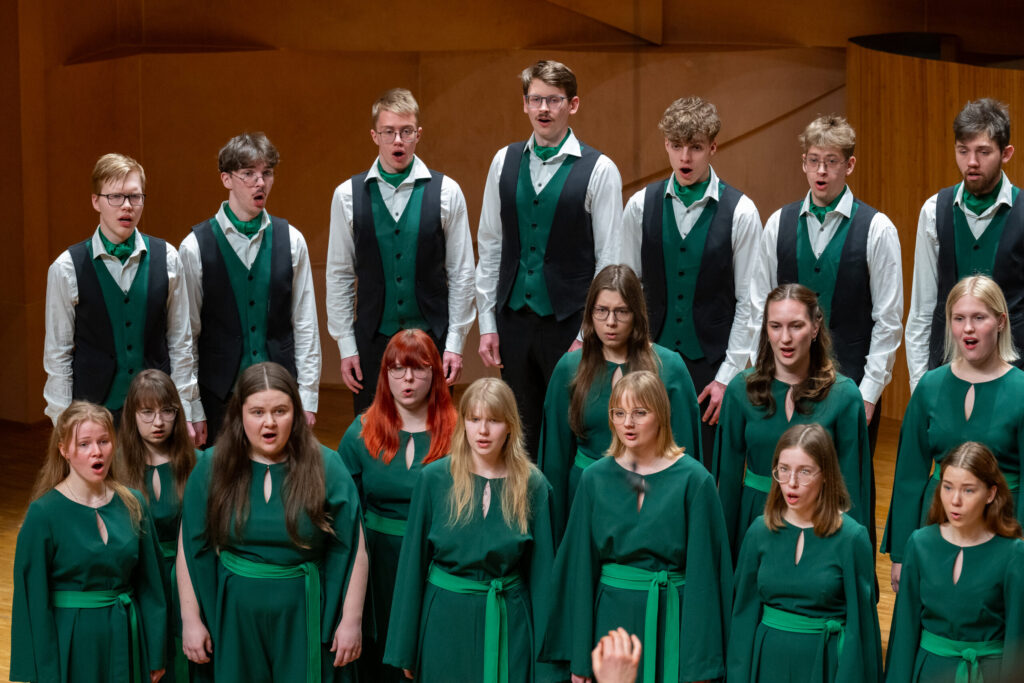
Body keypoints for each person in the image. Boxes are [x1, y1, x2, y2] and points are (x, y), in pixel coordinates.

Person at [178, 362, 367, 682]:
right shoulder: (212, 466)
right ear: (239, 414)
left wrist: (351, 620)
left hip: (303, 613)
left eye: (280, 411)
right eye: (257, 412)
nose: (269, 422)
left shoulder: (327, 465)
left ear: (296, 413)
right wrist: (191, 620)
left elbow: (354, 549)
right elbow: (190, 547)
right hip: (235, 617)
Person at [543, 371, 732, 683]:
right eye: (619, 413)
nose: (627, 423)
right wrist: (580, 660)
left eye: (640, 413)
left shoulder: (695, 480)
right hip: (610, 626)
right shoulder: (594, 479)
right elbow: (579, 570)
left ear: (661, 414)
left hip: (673, 624)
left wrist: (698, 668)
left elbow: (706, 580)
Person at [476, 59, 623, 459]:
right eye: (535, 99)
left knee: (569, 432)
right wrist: (487, 324)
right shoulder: (503, 161)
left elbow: (610, 263)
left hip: (569, 325)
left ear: (572, 105)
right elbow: (490, 245)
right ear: (525, 104)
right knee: (517, 433)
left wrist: (587, 334)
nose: (543, 108)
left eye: (554, 100)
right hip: (512, 321)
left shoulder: (600, 170)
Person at [384, 377, 560, 682]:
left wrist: (548, 665)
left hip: (509, 625)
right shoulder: (434, 479)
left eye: (494, 420)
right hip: (444, 625)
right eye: (474, 419)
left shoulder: (533, 485)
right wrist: (405, 647)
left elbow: (544, 579)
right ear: (463, 423)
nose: (482, 430)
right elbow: (411, 567)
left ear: (510, 426)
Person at [621, 96, 762, 468]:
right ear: (666, 145)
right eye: (676, 145)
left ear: (713, 147)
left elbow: (750, 303)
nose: (685, 157)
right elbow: (626, 290)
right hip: (648, 361)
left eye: (696, 147)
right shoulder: (640, 205)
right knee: (644, 467)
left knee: (703, 472)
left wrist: (727, 378)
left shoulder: (742, 212)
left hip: (711, 371)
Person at [746, 114, 902, 437]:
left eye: (831, 161)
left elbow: (887, 320)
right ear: (803, 162)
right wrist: (764, 374)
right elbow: (759, 306)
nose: (821, 171)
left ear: (849, 165)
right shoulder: (777, 223)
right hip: (784, 386)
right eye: (814, 160)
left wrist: (868, 394)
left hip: (851, 388)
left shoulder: (878, 228)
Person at [326, 88, 476, 414]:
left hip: (432, 340)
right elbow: (339, 276)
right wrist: (347, 347)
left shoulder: (447, 192)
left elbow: (462, 273)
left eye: (406, 132)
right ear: (374, 136)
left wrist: (455, 344)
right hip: (372, 340)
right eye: (389, 132)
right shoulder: (347, 196)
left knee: (434, 434)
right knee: (373, 434)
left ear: (418, 135)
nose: (398, 140)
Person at [538, 264, 701, 538]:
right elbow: (554, 461)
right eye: (601, 310)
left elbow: (686, 458)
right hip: (585, 499)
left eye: (621, 311)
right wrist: (555, 535)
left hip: (651, 499)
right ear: (590, 313)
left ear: (637, 314)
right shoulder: (569, 368)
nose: (610, 322)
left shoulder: (669, 368)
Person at [883, 275, 1024, 590]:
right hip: (936, 521)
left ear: (1001, 322)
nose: (968, 328)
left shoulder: (1021, 391)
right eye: (959, 318)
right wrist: (901, 554)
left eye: (979, 318)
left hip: (1003, 526)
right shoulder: (929, 386)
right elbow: (908, 477)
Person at [179, 132, 321, 445]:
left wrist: (308, 396)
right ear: (226, 179)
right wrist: (191, 405)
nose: (260, 183)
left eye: (267, 173)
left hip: (280, 395)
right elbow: (186, 335)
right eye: (249, 174)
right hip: (219, 397)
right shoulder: (194, 247)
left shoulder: (292, 240)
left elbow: (306, 325)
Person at [44, 153, 199, 436]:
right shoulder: (66, 268)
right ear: (96, 201)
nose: (127, 206)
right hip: (95, 412)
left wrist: (185, 409)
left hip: (156, 411)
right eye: (115, 197)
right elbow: (58, 354)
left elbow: (180, 342)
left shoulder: (168, 258)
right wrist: (62, 422)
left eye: (134, 196)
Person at [11, 401, 167, 682]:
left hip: (125, 637)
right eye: (84, 444)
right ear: (64, 450)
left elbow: (151, 585)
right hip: (71, 644)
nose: (97, 451)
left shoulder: (133, 503)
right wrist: (44, 673)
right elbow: (32, 601)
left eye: (104, 441)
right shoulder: (44, 514)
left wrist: (155, 652)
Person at [715, 283, 871, 558]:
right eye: (775, 326)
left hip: (818, 525)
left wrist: (855, 560)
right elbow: (726, 482)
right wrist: (720, 557)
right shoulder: (740, 390)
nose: (785, 338)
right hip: (754, 521)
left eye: (796, 326)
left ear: (815, 327)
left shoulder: (844, 396)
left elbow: (853, 492)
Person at [337, 329, 457, 681]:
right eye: (397, 369)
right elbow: (342, 514)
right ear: (385, 374)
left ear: (435, 373)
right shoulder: (360, 431)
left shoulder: (459, 432)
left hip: (433, 562)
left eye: (418, 368)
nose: (407, 378)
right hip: (374, 563)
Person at [728, 423, 882, 683]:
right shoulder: (758, 532)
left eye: (804, 472)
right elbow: (743, 617)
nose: (791, 483)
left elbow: (861, 630)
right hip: (766, 666)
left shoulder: (851, 538)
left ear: (826, 475)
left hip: (824, 666)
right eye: (784, 469)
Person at [906, 98, 1024, 391]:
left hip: (1014, 378)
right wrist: (919, 385)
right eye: (963, 151)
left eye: (983, 152)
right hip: (946, 372)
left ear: (1006, 153)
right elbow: (922, 309)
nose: (971, 162)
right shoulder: (933, 210)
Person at [885, 442, 1024, 682]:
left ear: (991, 494)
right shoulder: (919, 544)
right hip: (928, 673)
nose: (955, 500)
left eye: (968, 490)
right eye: (947, 487)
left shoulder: (1013, 554)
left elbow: (1017, 642)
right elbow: (904, 634)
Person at [118, 369, 198, 682]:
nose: (158, 422)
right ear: (132, 415)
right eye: (147, 412)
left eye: (167, 411)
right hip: (139, 579)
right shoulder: (115, 467)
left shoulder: (197, 464)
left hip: (185, 579)